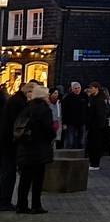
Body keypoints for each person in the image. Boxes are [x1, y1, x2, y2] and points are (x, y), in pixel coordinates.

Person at [14, 84, 56, 214]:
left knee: (25, 178)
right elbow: (48, 129)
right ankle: (36, 205)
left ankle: (21, 205)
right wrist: (52, 135)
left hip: (26, 147)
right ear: (44, 96)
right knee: (38, 179)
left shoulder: (28, 107)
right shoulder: (45, 109)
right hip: (39, 149)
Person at [0, 81, 32, 210]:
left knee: (6, 171)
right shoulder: (16, 102)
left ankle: (4, 200)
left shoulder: (13, 99)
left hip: (6, 140)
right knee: (8, 171)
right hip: (9, 142)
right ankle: (4, 201)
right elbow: (17, 123)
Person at [85, 82, 110, 171]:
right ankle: (92, 162)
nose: (90, 89)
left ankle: (95, 163)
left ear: (96, 88)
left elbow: (100, 114)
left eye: (91, 88)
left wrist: (99, 125)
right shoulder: (92, 98)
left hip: (97, 126)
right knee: (91, 144)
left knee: (96, 145)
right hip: (92, 125)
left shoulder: (100, 99)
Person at [61, 81, 87, 151]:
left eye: (79, 88)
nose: (77, 89)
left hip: (82, 121)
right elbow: (64, 111)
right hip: (71, 122)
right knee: (70, 140)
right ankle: (69, 153)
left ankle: (81, 153)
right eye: (75, 88)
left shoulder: (84, 96)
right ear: (72, 89)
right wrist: (64, 123)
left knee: (82, 140)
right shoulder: (68, 98)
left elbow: (87, 109)